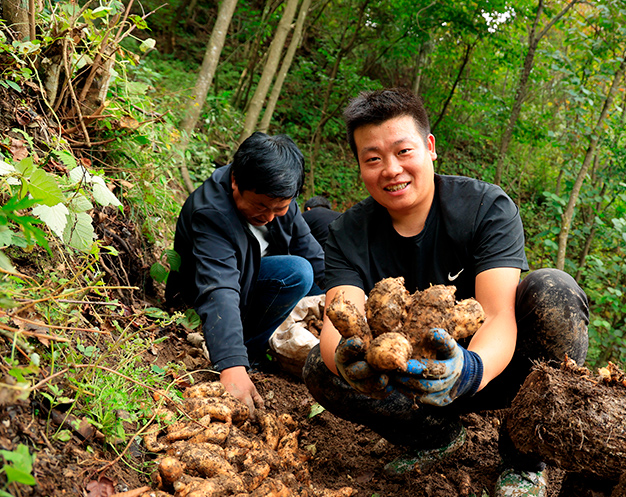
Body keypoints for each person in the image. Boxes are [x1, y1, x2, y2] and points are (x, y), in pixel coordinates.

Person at [302, 88, 589, 497]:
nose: (391, 169)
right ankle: (434, 436)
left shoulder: (485, 208)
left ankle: (525, 456)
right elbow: (340, 317)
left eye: (403, 151)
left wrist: (468, 371)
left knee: (555, 291)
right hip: (405, 380)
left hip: (489, 368)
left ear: (429, 147)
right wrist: (346, 360)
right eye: (373, 159)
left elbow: (498, 315)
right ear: (360, 167)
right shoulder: (347, 233)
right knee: (320, 365)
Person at [167, 132, 325, 415]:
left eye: (280, 208)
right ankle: (248, 350)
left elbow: (312, 253)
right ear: (235, 181)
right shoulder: (211, 213)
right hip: (204, 298)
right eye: (260, 206)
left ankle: (252, 342)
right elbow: (219, 287)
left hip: (250, 284)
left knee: (310, 272)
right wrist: (232, 365)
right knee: (296, 272)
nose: (269, 216)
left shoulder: (280, 201)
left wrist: (344, 298)